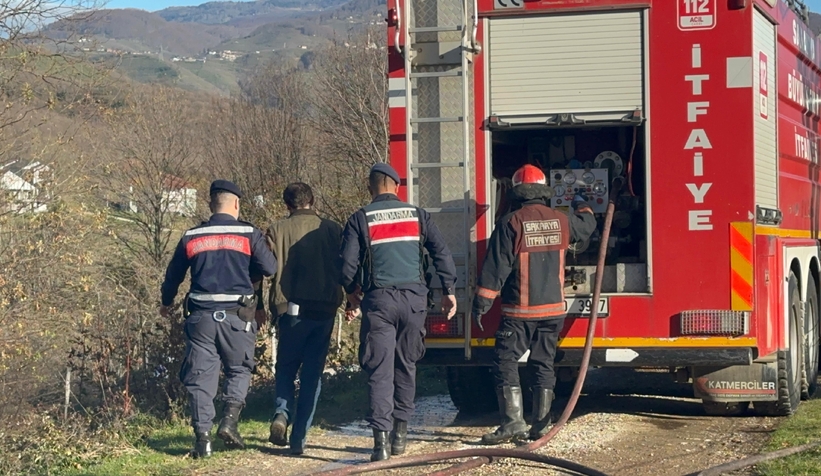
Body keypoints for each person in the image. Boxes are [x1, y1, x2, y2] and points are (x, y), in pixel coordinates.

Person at [340, 163, 458, 462]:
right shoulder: (418, 215)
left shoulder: (360, 218)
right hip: (413, 301)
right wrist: (449, 290)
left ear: (371, 187)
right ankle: (400, 437)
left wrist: (352, 292)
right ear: (396, 186)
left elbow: (347, 266)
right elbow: (441, 252)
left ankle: (379, 444)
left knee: (379, 370)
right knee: (406, 365)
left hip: (379, 302)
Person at [472, 164, 596, 445]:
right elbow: (588, 227)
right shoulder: (562, 220)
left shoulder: (510, 223)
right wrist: (581, 203)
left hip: (519, 313)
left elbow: (496, 268)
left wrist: (481, 303)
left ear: (517, 192)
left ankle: (513, 422)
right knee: (543, 363)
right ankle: (541, 425)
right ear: (543, 191)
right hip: (553, 311)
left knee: (505, 361)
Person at [160, 179, 277, 458]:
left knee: (201, 378)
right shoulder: (249, 233)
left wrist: (166, 303)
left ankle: (203, 441)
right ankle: (229, 422)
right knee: (239, 369)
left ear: (211, 204)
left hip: (201, 318)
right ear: (236, 203)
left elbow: (173, 274)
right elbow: (270, 267)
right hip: (238, 317)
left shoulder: (192, 236)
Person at [265, 183, 344, 455]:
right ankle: (299, 438)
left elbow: (265, 268)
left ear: (287, 204)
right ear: (312, 200)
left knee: (285, 366)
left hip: (289, 310)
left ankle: (281, 413)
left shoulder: (276, 230)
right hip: (323, 309)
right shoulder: (332, 230)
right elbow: (345, 265)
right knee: (312, 374)